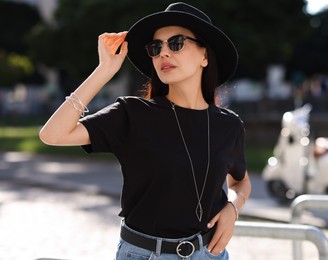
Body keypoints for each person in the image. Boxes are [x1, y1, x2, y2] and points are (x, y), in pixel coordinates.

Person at [39, 2, 251, 259]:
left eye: (176, 43)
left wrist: (233, 207)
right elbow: (52, 134)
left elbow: (241, 181)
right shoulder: (132, 114)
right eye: (156, 47)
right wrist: (104, 71)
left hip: (209, 253)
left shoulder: (229, 125)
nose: (163, 53)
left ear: (205, 56)